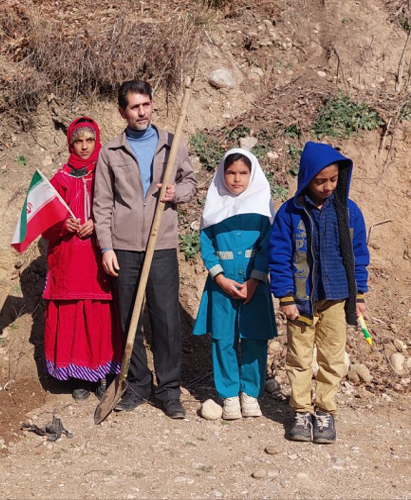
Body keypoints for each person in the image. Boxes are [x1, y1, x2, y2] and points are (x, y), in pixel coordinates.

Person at [93, 79, 197, 419]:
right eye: (135, 107)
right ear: (122, 111)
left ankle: (169, 391)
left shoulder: (171, 143)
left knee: (166, 319)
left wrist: (176, 192)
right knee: (128, 319)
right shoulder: (110, 152)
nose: (142, 112)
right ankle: (137, 385)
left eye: (146, 105)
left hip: (161, 243)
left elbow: (191, 182)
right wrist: (106, 247)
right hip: (124, 248)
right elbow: (102, 203)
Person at [269, 142, 369, 444]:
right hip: (300, 301)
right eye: (320, 181)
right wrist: (285, 296)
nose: (328, 187)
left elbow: (358, 255)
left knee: (332, 357)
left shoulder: (349, 212)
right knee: (299, 357)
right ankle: (301, 411)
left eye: (333, 179)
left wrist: (359, 295)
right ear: (306, 179)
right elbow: (279, 255)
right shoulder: (290, 212)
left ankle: (325, 411)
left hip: (336, 297)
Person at [42, 117, 122, 401]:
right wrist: (64, 225)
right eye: (79, 141)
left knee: (100, 315)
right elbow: (45, 220)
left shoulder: (107, 174)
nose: (85, 146)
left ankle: (101, 373)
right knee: (73, 314)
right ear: (71, 144)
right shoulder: (60, 179)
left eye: (90, 140)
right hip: (68, 260)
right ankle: (77, 376)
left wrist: (98, 223)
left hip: (99, 258)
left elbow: (121, 209)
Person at [192, 149, 276, 420]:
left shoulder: (262, 207)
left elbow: (268, 246)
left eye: (243, 173)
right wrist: (220, 278)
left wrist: (255, 280)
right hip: (222, 287)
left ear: (252, 174)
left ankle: (250, 394)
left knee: (254, 338)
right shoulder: (214, 205)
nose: (237, 178)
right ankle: (228, 394)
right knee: (223, 339)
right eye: (230, 173)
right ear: (222, 174)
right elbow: (207, 245)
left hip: (255, 286)